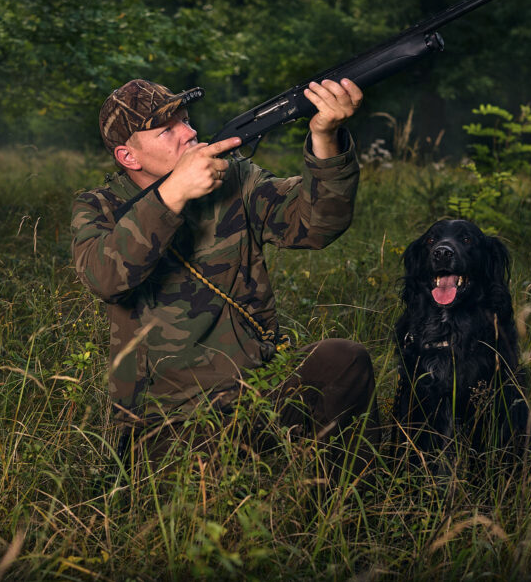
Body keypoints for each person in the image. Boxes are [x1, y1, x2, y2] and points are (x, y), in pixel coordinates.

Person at [71, 77, 379, 477]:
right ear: (129, 157)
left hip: (257, 389)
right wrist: (172, 196)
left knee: (344, 360)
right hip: (172, 420)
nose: (190, 132)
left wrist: (325, 138)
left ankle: (344, 506)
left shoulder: (233, 178)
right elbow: (105, 277)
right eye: (168, 129)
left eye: (186, 119)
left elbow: (317, 225)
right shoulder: (100, 206)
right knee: (222, 501)